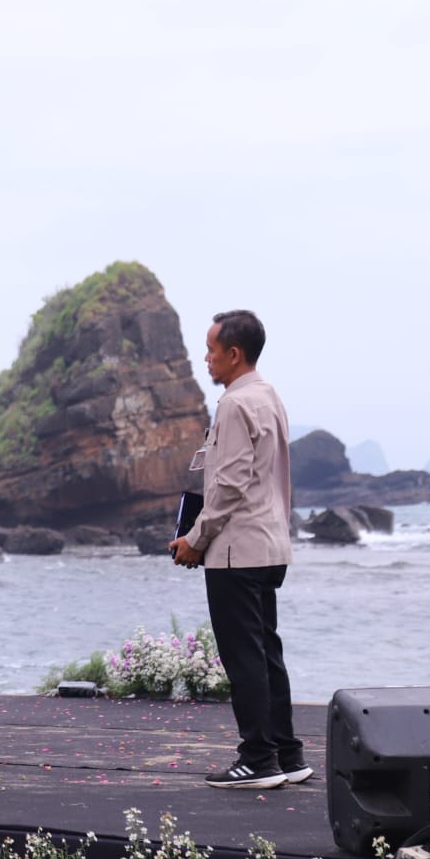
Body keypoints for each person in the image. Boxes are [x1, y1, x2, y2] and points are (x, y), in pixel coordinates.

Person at [169, 309, 308, 790]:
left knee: (244, 657)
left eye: (211, 350)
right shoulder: (269, 396)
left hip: (237, 551)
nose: (205, 358)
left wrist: (195, 539)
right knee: (267, 652)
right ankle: (287, 753)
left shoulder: (234, 404)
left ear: (234, 353)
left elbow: (228, 485)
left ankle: (258, 759)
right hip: (270, 545)